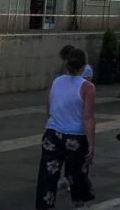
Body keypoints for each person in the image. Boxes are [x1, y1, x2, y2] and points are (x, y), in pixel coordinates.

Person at [35, 48, 96, 209]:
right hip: (76, 135)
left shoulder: (56, 82)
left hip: (53, 134)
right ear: (84, 67)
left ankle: (45, 205)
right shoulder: (87, 87)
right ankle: (79, 203)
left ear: (66, 64)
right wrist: (91, 143)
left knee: (48, 175)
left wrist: (55, 121)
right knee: (77, 174)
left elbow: (49, 107)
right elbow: (88, 117)